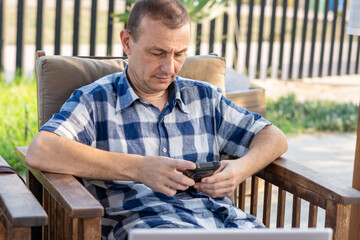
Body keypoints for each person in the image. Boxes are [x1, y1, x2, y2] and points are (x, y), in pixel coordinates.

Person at [26, 0, 288, 239]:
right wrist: (139, 168)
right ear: (127, 42)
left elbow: (274, 137)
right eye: (157, 53)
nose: (169, 68)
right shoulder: (96, 100)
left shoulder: (204, 98)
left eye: (179, 54)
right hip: (149, 227)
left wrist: (241, 168)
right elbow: (42, 150)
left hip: (227, 226)